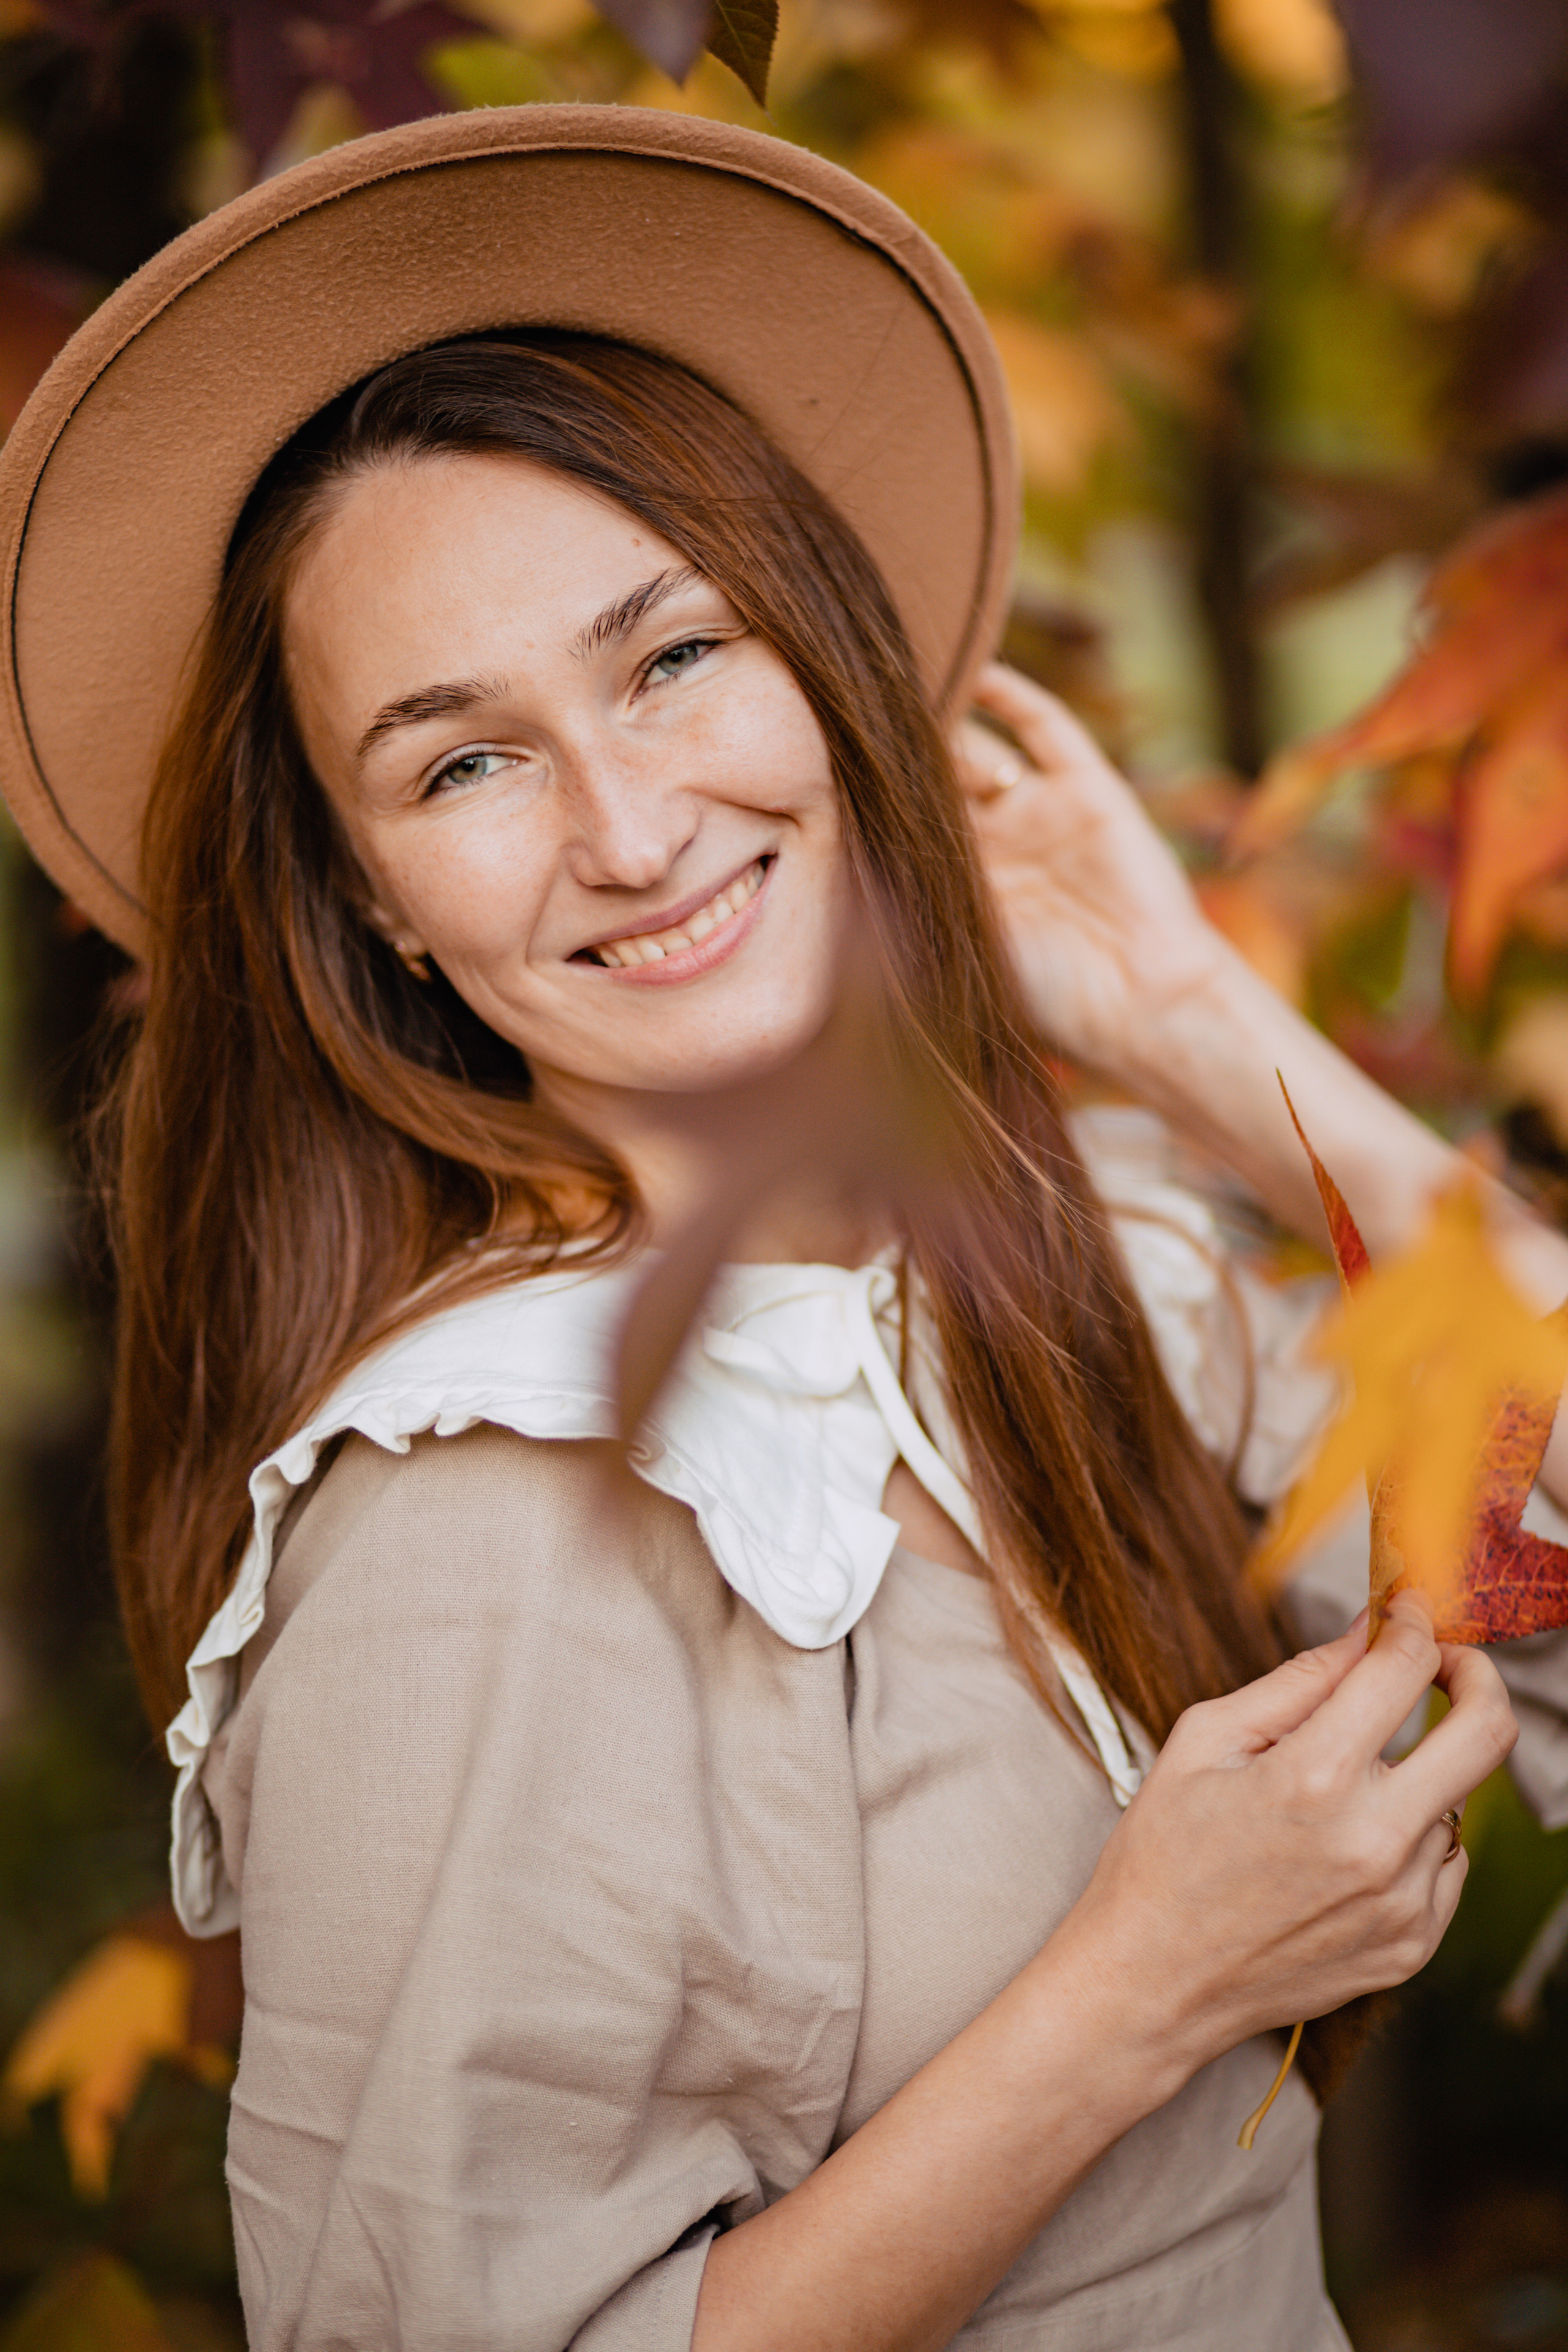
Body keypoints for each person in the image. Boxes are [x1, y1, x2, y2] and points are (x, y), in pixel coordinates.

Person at [2, 104, 1566, 2352]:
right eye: (462, 762)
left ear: (826, 657)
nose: (633, 831)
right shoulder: (495, 1513)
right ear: (370, 900)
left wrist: (1200, 1027)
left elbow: (1545, 1540)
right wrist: (1139, 1989)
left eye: (671, 656)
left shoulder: (1053, 1275)